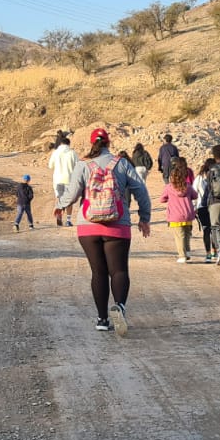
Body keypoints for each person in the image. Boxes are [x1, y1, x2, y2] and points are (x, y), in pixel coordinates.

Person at [57, 128, 153, 333]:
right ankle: (119, 307)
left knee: (98, 272)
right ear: (109, 143)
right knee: (119, 271)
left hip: (88, 227)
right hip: (118, 224)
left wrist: (60, 205)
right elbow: (141, 191)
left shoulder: (83, 164)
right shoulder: (122, 163)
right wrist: (144, 218)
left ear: (92, 144)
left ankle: (102, 319)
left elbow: (72, 194)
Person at [160, 157, 198, 263]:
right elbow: (195, 196)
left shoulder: (169, 187)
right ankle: (188, 252)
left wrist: (169, 198)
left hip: (175, 216)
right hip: (188, 214)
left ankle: (182, 256)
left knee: (179, 236)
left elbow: (162, 199)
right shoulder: (188, 186)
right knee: (187, 234)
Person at [48, 137, 80, 226]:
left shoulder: (55, 152)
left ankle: (59, 215)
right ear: (69, 144)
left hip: (58, 180)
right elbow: (78, 166)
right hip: (69, 180)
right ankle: (68, 220)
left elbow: (50, 166)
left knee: (59, 198)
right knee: (69, 200)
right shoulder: (73, 153)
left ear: (61, 144)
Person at [193, 158, 217, 262]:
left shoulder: (199, 178)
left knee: (206, 230)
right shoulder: (218, 176)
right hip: (215, 206)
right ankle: (215, 251)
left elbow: (194, 193)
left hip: (202, 207)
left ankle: (208, 254)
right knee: (215, 229)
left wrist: (194, 207)